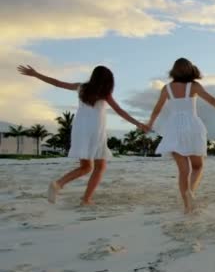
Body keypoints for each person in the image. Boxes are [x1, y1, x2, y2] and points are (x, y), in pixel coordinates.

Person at [17, 65, 146, 205]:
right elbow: (120, 111)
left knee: (86, 167)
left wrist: (36, 74)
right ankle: (86, 199)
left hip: (80, 130)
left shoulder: (81, 88)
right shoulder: (105, 94)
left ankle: (58, 184)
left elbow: (57, 83)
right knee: (99, 167)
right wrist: (137, 123)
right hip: (95, 131)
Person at [146, 58, 215, 214]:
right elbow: (212, 101)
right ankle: (190, 191)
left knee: (183, 171)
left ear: (174, 71)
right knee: (198, 166)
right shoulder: (193, 86)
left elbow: (157, 108)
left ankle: (187, 206)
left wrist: (150, 123)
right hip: (192, 126)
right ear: (191, 70)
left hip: (174, 128)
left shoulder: (167, 88)